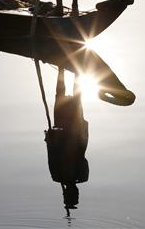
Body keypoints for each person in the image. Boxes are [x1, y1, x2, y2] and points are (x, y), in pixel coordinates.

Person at [44, 67, 89, 213]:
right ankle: (67, 70)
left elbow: (51, 156)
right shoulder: (69, 177)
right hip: (73, 133)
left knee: (63, 97)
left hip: (67, 132)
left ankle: (63, 69)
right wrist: (50, 139)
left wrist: (49, 139)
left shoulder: (67, 176)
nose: (71, 191)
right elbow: (82, 159)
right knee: (71, 98)